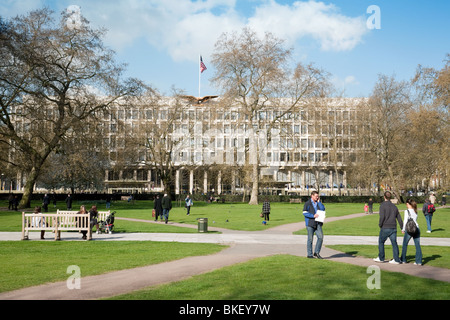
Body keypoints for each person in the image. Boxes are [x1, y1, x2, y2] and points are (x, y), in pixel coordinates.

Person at [374, 191, 403, 264]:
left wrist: (380, 224)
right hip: (393, 227)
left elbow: (382, 217)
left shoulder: (382, 205)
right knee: (394, 243)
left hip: (385, 227)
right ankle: (396, 259)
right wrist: (402, 227)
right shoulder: (394, 206)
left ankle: (381, 258)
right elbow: (399, 218)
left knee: (381, 242)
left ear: (384, 197)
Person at [302, 191, 325, 259]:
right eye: (316, 196)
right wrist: (313, 216)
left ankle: (316, 252)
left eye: (318, 196)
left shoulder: (318, 203)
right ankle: (309, 254)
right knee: (310, 239)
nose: (317, 197)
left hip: (318, 223)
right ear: (312, 196)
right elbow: (304, 212)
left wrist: (319, 202)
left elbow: (323, 209)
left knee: (320, 237)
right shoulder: (307, 203)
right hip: (310, 223)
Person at [401, 199, 422, 265]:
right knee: (417, 245)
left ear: (407, 204)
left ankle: (403, 259)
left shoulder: (407, 211)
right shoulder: (415, 211)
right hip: (416, 228)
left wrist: (403, 229)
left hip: (409, 229)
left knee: (405, 244)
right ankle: (418, 261)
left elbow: (405, 221)